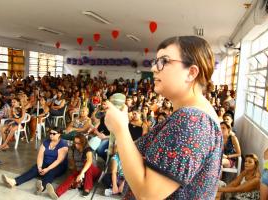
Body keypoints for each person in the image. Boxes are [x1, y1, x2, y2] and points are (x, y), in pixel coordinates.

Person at [104, 36, 222, 199]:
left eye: (164, 61)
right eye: (156, 61)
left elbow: (148, 195)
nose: (153, 68)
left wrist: (121, 129)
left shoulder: (192, 120)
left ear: (191, 72)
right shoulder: (194, 115)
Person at [1, 129, 68, 195]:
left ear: (59, 134)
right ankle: (13, 181)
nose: (51, 135)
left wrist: (47, 169)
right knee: (34, 169)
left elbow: (59, 161)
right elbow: (40, 156)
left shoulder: (63, 144)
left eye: (54, 134)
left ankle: (42, 186)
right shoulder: (46, 142)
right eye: (50, 133)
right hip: (46, 162)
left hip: (59, 165)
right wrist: (39, 167)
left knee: (51, 172)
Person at [46, 134, 101, 199]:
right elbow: (72, 164)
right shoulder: (72, 149)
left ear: (83, 143)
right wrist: (75, 177)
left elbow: (89, 161)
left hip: (93, 171)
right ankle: (57, 193)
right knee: (71, 177)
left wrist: (81, 173)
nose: (76, 144)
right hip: (80, 170)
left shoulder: (87, 149)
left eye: (78, 143)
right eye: (75, 142)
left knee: (88, 166)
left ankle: (87, 188)